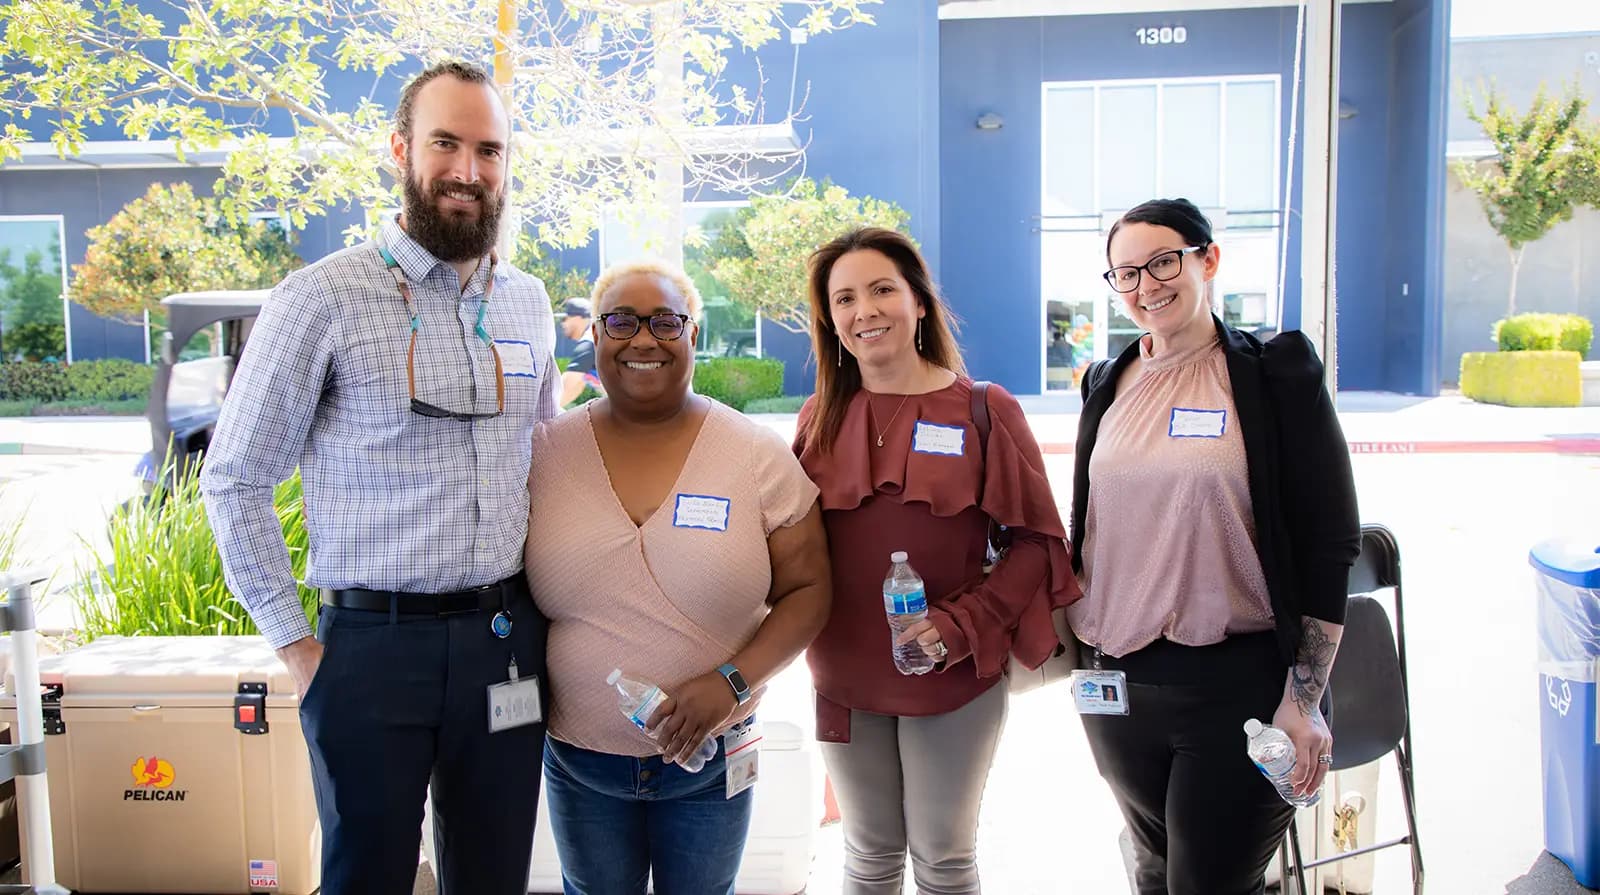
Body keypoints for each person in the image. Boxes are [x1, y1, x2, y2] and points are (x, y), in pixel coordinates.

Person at [201, 60, 559, 895]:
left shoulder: (530, 302)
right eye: (446, 143)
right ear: (400, 148)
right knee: (366, 878)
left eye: (489, 149)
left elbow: (543, 456)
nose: (468, 171)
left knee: (495, 877)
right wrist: (300, 652)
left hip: (505, 644)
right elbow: (237, 478)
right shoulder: (320, 298)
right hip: (368, 651)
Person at [1068, 198, 1360, 895]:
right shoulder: (1105, 383)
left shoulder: (1274, 374)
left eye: (1163, 261)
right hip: (1119, 688)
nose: (1146, 285)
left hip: (1241, 687)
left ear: (1208, 259)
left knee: (1209, 884)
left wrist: (1306, 695)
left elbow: (1329, 540)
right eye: (1126, 273)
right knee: (1158, 872)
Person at [524, 260, 832, 895]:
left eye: (666, 321)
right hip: (581, 762)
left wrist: (732, 681)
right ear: (598, 336)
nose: (644, 339)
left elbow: (810, 591)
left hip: (714, 762)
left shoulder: (753, 453)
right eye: (622, 321)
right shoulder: (544, 453)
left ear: (694, 334)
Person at [794, 227, 1080, 894]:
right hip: (843, 674)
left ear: (920, 303)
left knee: (945, 861)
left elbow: (1038, 543)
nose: (864, 310)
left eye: (882, 289)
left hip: (955, 671)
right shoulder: (818, 418)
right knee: (866, 858)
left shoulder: (985, 409)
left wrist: (957, 625)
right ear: (830, 320)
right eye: (844, 299)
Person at [559, 297, 602, 406]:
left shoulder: (589, 343)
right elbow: (576, 387)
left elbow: (565, 388)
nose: (562, 324)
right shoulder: (597, 337)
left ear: (578, 318)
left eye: (564, 319)